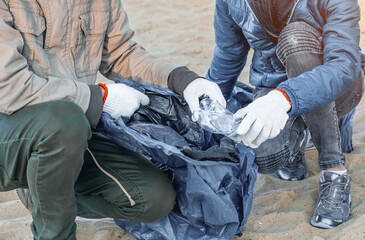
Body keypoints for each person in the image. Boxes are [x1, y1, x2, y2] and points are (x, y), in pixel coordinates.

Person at [0, 0, 226, 239]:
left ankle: (44, 189)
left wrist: (182, 80)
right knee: (64, 121)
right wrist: (100, 97)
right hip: (13, 133)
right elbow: (8, 87)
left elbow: (122, 55)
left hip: (70, 132)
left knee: (155, 198)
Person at [206, 0, 365, 228]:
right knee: (264, 156)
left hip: (338, 89)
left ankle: (334, 172)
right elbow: (227, 54)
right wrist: (208, 105)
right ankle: (298, 138)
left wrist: (282, 99)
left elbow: (343, 65)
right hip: (274, 88)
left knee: (295, 37)